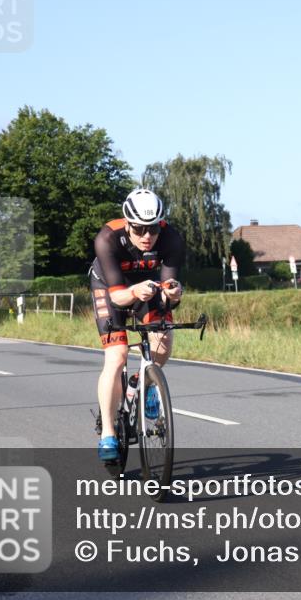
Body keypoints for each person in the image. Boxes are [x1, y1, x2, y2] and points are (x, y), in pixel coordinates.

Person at [90, 188, 185, 461]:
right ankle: (108, 432)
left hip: (149, 284)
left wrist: (173, 294)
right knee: (117, 356)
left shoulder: (171, 239)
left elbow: (170, 286)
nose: (147, 237)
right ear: (128, 223)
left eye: (153, 229)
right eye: (140, 229)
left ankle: (144, 382)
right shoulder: (108, 238)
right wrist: (133, 292)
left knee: (163, 344)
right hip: (110, 287)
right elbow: (118, 296)